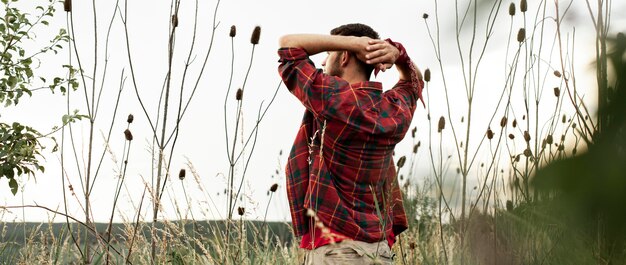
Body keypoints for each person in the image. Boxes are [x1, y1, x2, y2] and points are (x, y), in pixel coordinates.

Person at [277, 23, 424, 264]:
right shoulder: (394, 109)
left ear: (344, 56)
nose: (323, 62)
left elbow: (287, 44)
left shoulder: (333, 98)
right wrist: (397, 53)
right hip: (379, 252)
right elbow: (414, 80)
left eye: (329, 53)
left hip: (335, 252)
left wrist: (353, 43)